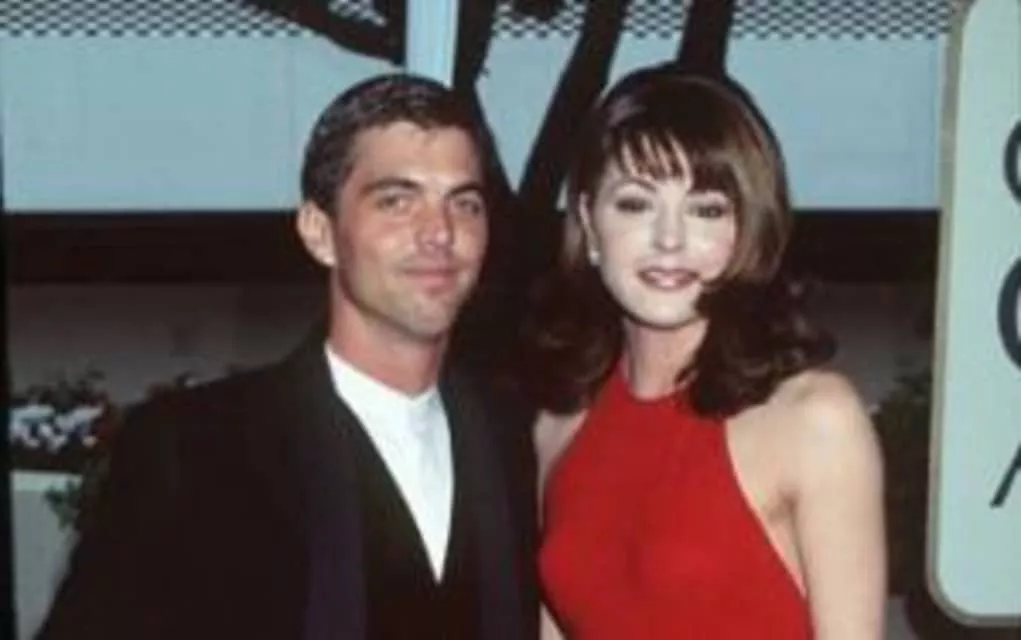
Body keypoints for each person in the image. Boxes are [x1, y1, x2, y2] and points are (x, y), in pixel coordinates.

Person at [37, 73, 538, 640]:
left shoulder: (509, 437)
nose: (439, 233)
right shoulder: (193, 447)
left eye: (464, 204)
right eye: (397, 201)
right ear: (320, 232)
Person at [526, 67, 886, 639]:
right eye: (636, 204)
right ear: (590, 225)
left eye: (707, 209)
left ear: (748, 229)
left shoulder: (814, 418)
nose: (670, 239)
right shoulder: (556, 427)